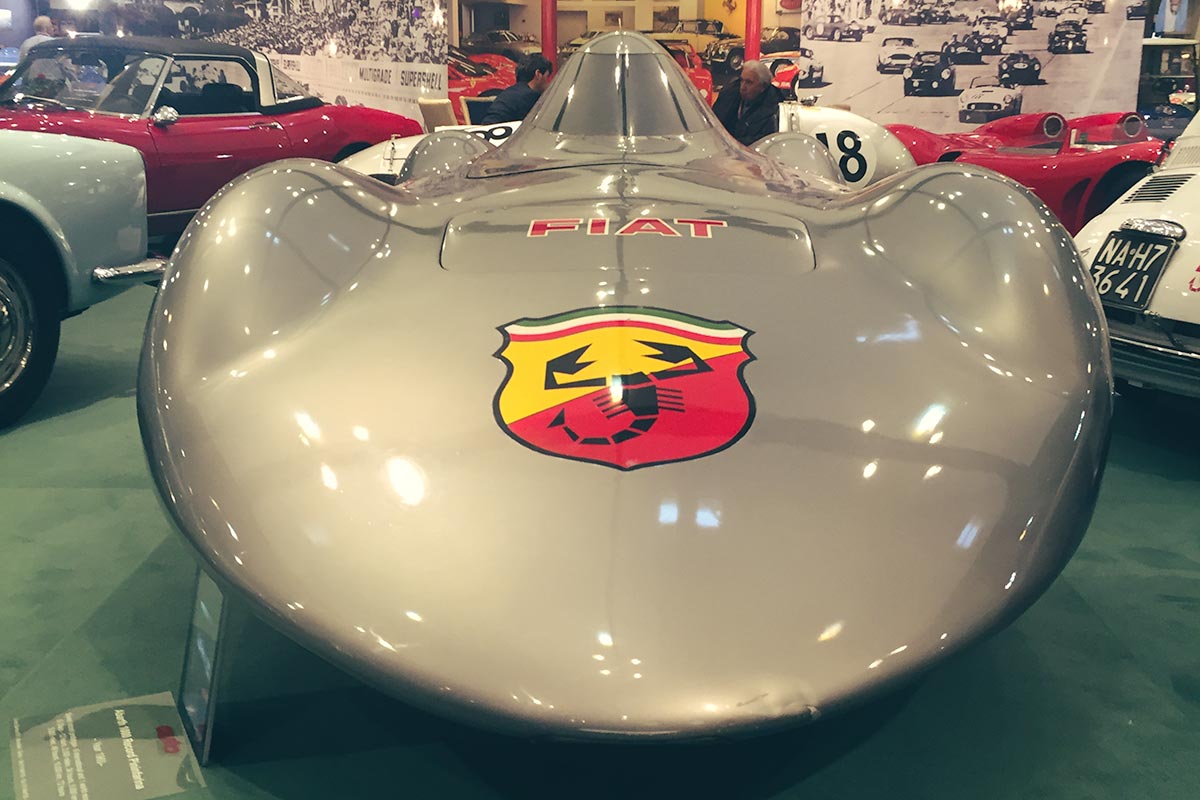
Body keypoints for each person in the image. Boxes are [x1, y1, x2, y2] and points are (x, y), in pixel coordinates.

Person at [712, 61, 783, 147]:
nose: (742, 87)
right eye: (741, 80)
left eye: (749, 82)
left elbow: (764, 142)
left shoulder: (773, 109)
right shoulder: (728, 96)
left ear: (762, 87)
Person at [479, 53, 553, 124]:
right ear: (538, 74)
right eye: (547, 76)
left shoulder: (508, 93)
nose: (550, 82)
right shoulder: (532, 97)